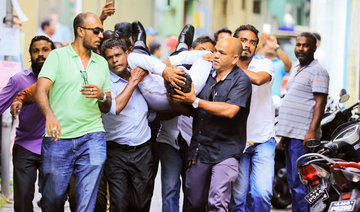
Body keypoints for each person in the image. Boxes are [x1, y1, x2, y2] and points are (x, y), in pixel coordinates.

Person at [35, 13, 111, 212]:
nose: (101, 35)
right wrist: (49, 115)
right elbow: (41, 90)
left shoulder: (102, 63)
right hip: (59, 137)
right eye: (96, 31)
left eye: (101, 31)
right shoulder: (57, 56)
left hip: (92, 135)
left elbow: (108, 105)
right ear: (80, 31)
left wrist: (102, 95)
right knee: (53, 198)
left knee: (86, 199)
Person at [173, 37, 252, 211]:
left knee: (217, 201)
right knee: (193, 201)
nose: (215, 55)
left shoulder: (242, 80)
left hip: (226, 151)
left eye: (221, 53)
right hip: (200, 150)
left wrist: (195, 101)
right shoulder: (205, 74)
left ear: (234, 58)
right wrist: (176, 99)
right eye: (215, 50)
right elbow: (192, 111)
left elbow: (229, 110)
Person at [276, 32, 329, 212]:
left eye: (305, 45)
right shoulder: (297, 69)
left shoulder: (318, 71)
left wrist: (312, 131)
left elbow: (320, 103)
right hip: (291, 135)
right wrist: (284, 135)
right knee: (293, 182)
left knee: (301, 184)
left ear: (314, 47)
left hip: (303, 137)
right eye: (298, 45)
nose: (301, 49)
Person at [0, 35, 54, 212]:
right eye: (36, 51)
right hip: (26, 146)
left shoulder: (62, 79)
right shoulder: (18, 80)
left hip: (55, 145)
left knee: (53, 200)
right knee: (22, 199)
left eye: (45, 50)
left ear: (53, 53)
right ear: (30, 55)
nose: (41, 54)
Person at [229, 25, 275, 212]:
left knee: (262, 194)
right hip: (236, 140)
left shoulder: (264, 65)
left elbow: (257, 79)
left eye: (252, 42)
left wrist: (229, 65)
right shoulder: (222, 68)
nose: (247, 45)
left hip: (263, 139)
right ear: (235, 42)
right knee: (238, 199)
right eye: (243, 40)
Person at [257, 33, 292, 97]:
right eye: (267, 44)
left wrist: (275, 46)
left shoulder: (280, 63)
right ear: (262, 47)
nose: (269, 46)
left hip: (275, 101)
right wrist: (261, 42)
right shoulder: (256, 60)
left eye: (271, 43)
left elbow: (289, 65)